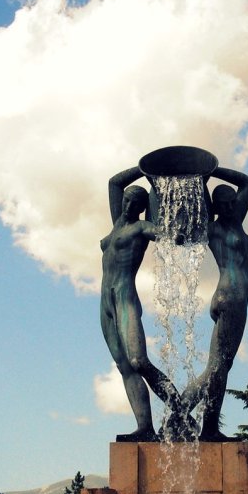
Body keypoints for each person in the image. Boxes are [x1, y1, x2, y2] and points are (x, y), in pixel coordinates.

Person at [100, 165, 181, 441]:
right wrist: (146, 168)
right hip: (105, 303)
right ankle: (145, 427)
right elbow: (114, 181)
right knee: (124, 366)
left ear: (141, 208)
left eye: (135, 204)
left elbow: (165, 234)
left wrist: (175, 234)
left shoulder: (141, 226)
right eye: (126, 201)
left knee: (138, 360)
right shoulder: (116, 225)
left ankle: (180, 409)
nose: (128, 206)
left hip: (125, 297)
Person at [182, 166, 248, 441]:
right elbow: (245, 183)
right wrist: (205, 176)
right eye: (222, 203)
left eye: (230, 201)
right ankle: (181, 413)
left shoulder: (234, 223)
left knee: (221, 366)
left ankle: (207, 427)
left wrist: (210, 171)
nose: (228, 206)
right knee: (217, 366)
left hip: (230, 299)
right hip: (232, 298)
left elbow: (246, 182)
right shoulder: (215, 228)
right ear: (217, 206)